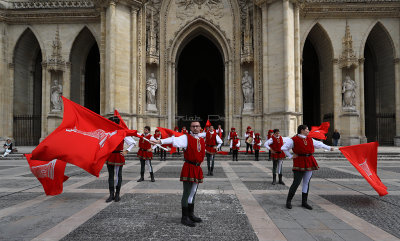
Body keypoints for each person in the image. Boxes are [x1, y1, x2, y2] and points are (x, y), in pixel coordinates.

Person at [152, 121, 206, 227]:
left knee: (193, 192)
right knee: (187, 192)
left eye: (197, 126)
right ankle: (184, 217)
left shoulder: (201, 140)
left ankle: (191, 214)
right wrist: (160, 141)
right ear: (190, 128)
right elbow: (173, 140)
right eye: (193, 126)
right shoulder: (186, 138)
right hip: (189, 167)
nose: (195, 128)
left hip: (197, 167)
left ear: (200, 128)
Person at [281, 124, 334, 210]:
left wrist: (329, 147)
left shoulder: (310, 139)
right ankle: (288, 201)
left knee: (306, 182)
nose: (308, 131)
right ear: (302, 130)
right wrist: (290, 156)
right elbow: (283, 148)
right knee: (296, 182)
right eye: (307, 129)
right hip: (299, 161)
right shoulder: (293, 140)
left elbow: (319, 144)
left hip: (309, 160)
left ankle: (304, 202)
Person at [105, 117, 136, 202]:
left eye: (111, 122)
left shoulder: (122, 133)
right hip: (110, 156)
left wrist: (126, 151)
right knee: (110, 176)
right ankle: (111, 194)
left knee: (118, 175)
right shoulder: (108, 133)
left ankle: (117, 194)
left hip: (118, 156)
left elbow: (133, 142)